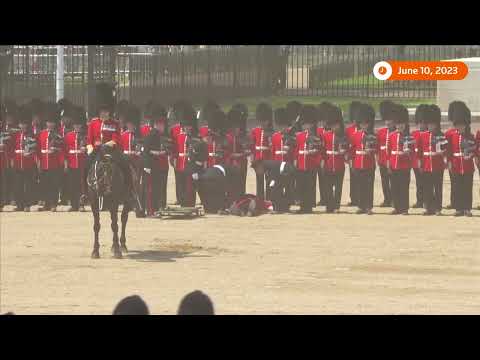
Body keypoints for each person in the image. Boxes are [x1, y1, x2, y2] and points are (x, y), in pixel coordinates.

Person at [85, 82, 143, 215]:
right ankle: (85, 193)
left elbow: (117, 139)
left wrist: (106, 145)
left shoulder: (114, 123)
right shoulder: (93, 123)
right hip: (96, 151)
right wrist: (90, 149)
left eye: (106, 111)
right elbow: (89, 139)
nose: (104, 114)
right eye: (102, 111)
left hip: (111, 150)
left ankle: (131, 193)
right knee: (85, 167)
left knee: (125, 167)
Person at [446, 103, 476, 217]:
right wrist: (449, 163)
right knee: (457, 187)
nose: (460, 127)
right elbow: (449, 152)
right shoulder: (452, 135)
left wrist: (471, 155)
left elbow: (474, 150)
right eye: (458, 125)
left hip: (467, 165)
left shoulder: (470, 136)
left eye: (462, 125)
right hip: (456, 164)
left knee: (467, 188)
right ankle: (458, 208)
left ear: (466, 125)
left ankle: (467, 208)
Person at [142, 104, 171, 215]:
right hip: (151, 165)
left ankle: (155, 208)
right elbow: (146, 151)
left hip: (156, 165)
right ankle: (150, 210)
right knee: (150, 189)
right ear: (157, 124)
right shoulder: (151, 135)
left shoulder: (157, 134)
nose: (163, 126)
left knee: (156, 188)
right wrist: (147, 166)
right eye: (162, 124)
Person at [419, 105, 447, 216]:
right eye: (429, 124)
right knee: (427, 187)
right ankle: (429, 207)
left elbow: (446, 150)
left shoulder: (441, 135)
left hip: (438, 165)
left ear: (436, 124)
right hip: (426, 164)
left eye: (432, 124)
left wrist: (444, 158)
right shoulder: (423, 135)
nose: (430, 126)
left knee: (438, 187)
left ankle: (438, 208)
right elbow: (420, 151)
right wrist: (420, 163)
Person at [386, 104, 414, 215]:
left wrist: (408, 154)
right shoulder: (392, 135)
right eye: (398, 124)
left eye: (401, 124)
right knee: (395, 187)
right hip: (394, 164)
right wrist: (388, 164)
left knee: (404, 188)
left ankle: (404, 208)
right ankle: (397, 207)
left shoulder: (409, 136)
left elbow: (413, 152)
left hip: (405, 165)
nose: (400, 126)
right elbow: (388, 151)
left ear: (405, 124)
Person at [294, 105, 321, 214]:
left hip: (310, 165)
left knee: (310, 186)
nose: (306, 126)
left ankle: (309, 206)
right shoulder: (299, 136)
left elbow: (318, 151)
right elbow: (296, 150)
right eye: (304, 123)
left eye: (308, 124)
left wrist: (315, 161)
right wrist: (296, 160)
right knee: (301, 186)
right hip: (301, 164)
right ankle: (302, 206)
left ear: (312, 123)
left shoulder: (316, 137)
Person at [350, 103, 376, 215]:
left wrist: (371, 151)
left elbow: (377, 149)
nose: (364, 126)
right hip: (357, 163)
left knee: (369, 186)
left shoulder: (373, 135)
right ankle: (361, 206)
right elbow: (352, 150)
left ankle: (368, 207)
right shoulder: (355, 135)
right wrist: (351, 162)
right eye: (362, 124)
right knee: (359, 186)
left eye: (366, 124)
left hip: (369, 163)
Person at [37, 103, 64, 212]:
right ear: (46, 123)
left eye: (52, 122)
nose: (50, 124)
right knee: (45, 184)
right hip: (44, 163)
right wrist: (38, 162)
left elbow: (62, 149)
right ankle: (46, 203)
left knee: (54, 185)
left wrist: (60, 160)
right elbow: (38, 149)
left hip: (54, 164)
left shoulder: (58, 135)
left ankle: (53, 203)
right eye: (48, 122)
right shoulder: (41, 134)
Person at [321, 105, 347, 213]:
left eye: (336, 125)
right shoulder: (326, 135)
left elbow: (347, 149)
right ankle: (329, 205)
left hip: (339, 164)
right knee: (327, 187)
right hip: (328, 163)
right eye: (332, 125)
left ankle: (336, 206)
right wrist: (322, 161)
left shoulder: (343, 136)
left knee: (338, 188)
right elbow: (322, 150)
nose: (334, 127)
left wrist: (344, 152)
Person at [12, 106, 37, 212]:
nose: (23, 126)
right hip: (18, 163)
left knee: (28, 185)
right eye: (21, 124)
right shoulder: (16, 135)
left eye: (24, 124)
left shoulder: (32, 135)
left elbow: (35, 150)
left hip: (28, 163)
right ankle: (19, 204)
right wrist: (13, 160)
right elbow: (12, 148)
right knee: (18, 184)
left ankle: (27, 204)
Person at [64, 106, 87, 212]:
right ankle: (74, 204)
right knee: (72, 185)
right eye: (76, 125)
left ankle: (81, 204)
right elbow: (65, 150)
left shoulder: (85, 137)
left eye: (79, 125)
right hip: (72, 164)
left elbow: (90, 149)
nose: (77, 127)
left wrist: (85, 149)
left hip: (82, 164)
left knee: (82, 185)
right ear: (73, 125)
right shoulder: (68, 136)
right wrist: (65, 163)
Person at [250, 103, 274, 200]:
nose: (263, 123)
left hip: (267, 159)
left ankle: (269, 198)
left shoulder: (272, 132)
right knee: (259, 180)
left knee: (268, 180)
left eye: (265, 121)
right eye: (261, 121)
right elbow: (252, 145)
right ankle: (260, 198)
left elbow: (272, 148)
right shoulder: (255, 131)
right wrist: (252, 157)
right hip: (258, 159)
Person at [225, 105, 249, 195]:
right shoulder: (228, 137)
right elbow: (225, 152)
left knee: (241, 183)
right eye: (235, 127)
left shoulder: (243, 136)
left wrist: (245, 152)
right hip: (230, 163)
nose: (237, 129)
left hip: (241, 163)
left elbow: (248, 148)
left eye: (238, 127)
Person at [376, 100, 396, 207]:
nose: (388, 122)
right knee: (384, 182)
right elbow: (378, 147)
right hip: (383, 160)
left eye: (390, 120)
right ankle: (387, 199)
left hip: (392, 160)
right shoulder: (381, 132)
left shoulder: (396, 132)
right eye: (386, 120)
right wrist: (378, 158)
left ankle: (394, 199)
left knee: (393, 181)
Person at [411, 104, 429, 208]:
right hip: (416, 163)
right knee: (419, 183)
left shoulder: (429, 133)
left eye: (424, 122)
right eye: (420, 122)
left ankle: (427, 201)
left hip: (426, 162)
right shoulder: (414, 133)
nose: (422, 125)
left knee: (427, 183)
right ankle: (420, 201)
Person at [346, 101, 362, 207]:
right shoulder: (349, 130)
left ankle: (361, 198)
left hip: (361, 157)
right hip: (353, 158)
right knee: (353, 179)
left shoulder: (363, 129)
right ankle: (354, 198)